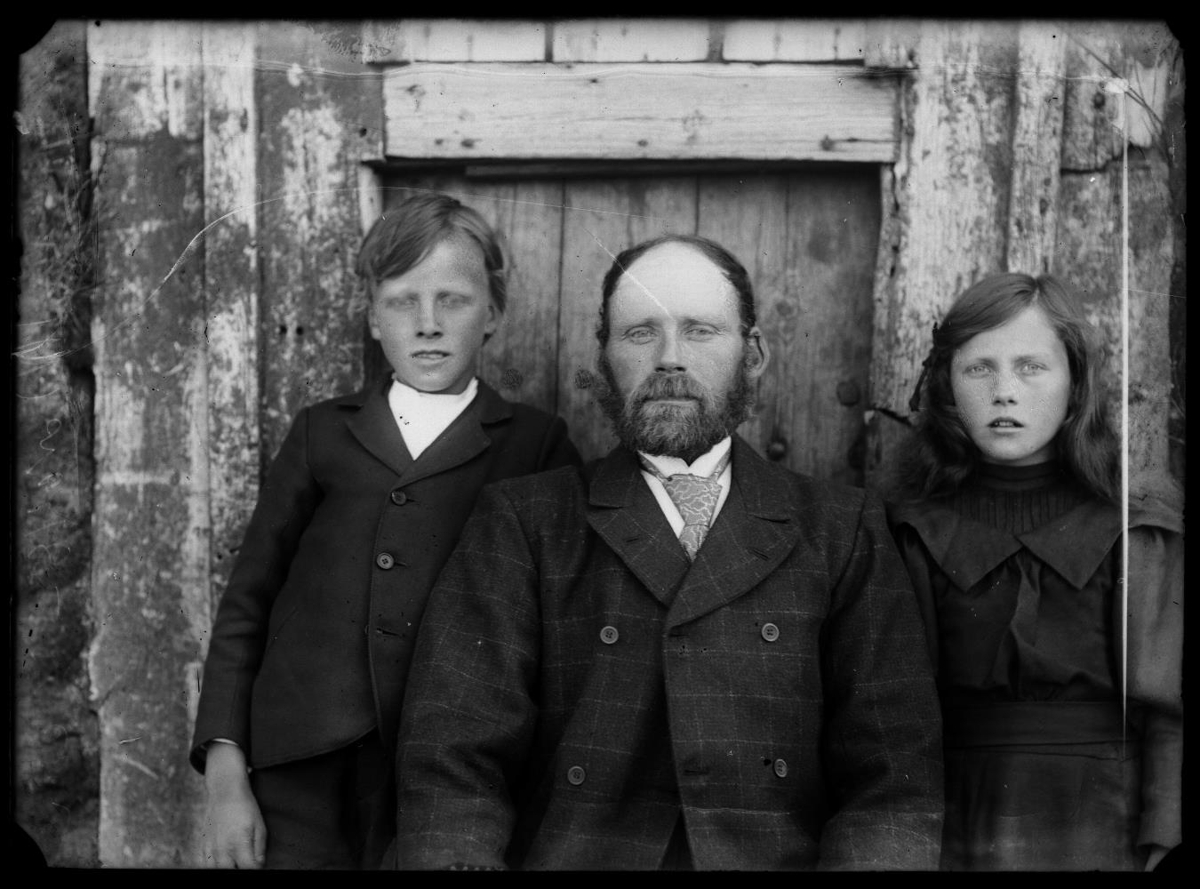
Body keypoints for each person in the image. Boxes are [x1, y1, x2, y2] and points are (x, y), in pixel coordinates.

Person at [393, 234, 944, 871]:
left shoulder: (841, 529)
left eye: (701, 331)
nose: (670, 359)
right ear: (603, 358)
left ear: (753, 354)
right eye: (640, 333)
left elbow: (893, 778)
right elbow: (452, 759)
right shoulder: (526, 522)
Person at [189, 192, 581, 869]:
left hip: (446, 778)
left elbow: (560, 626)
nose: (427, 324)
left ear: (493, 312)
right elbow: (248, 603)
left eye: (452, 300)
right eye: (402, 302)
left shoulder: (535, 444)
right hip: (298, 768)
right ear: (372, 317)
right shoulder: (321, 433)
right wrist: (226, 776)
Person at [888, 272, 1183, 871]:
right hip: (954, 823)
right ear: (946, 386)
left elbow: (1169, 714)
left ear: (1076, 385)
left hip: (1105, 824)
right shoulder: (910, 530)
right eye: (979, 368)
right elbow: (892, 720)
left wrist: (1164, 834)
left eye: (1031, 367)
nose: (1004, 392)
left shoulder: (1135, 527)